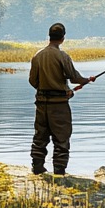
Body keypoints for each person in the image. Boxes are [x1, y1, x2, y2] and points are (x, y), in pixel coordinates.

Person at [28, 22, 92, 175]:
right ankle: (59, 170)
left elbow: (32, 81)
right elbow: (74, 78)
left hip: (41, 104)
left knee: (40, 136)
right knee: (62, 138)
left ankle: (37, 167)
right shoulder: (62, 56)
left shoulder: (37, 56)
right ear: (63, 38)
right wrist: (87, 80)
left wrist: (45, 89)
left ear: (49, 37)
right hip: (60, 105)